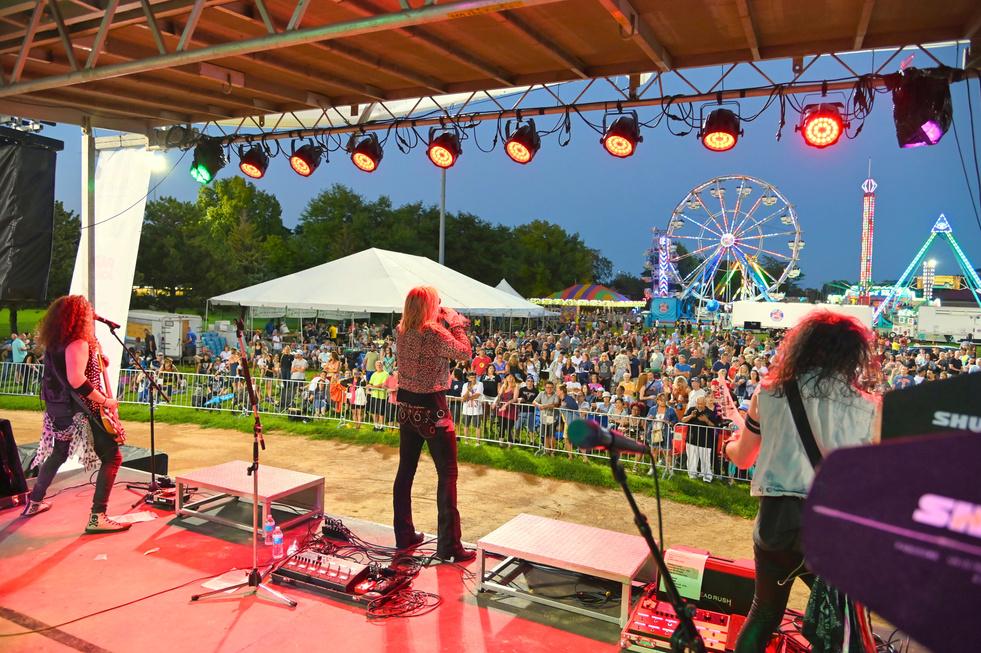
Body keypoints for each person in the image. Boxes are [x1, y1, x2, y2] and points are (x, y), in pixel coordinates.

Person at [724, 312, 881, 652]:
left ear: (801, 347)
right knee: (835, 624)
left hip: (776, 520)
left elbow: (743, 457)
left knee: (764, 612)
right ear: (851, 354)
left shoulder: (769, 393)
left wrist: (729, 444)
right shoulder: (868, 407)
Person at [21, 295, 130, 534]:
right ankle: (98, 516)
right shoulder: (78, 342)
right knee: (112, 457)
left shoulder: (55, 342)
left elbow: (69, 369)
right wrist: (105, 401)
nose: (91, 314)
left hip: (58, 407)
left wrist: (97, 360)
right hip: (80, 411)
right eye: (87, 311)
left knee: (59, 453)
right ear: (78, 316)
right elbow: (76, 379)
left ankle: (34, 501)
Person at [392, 287, 474, 562]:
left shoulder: (401, 330)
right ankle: (449, 545)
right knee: (447, 474)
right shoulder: (435, 332)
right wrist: (456, 323)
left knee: (405, 471)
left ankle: (404, 534)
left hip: (406, 407)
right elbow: (465, 353)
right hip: (432, 408)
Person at [681, 395, 722, 482]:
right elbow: (683, 420)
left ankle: (707, 477)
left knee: (705, 461)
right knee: (692, 459)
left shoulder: (709, 412)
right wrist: (691, 416)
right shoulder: (691, 410)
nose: (699, 405)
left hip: (705, 441)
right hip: (691, 440)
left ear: (705, 403)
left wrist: (706, 420)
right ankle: (692, 475)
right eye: (698, 403)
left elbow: (714, 426)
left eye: (701, 404)